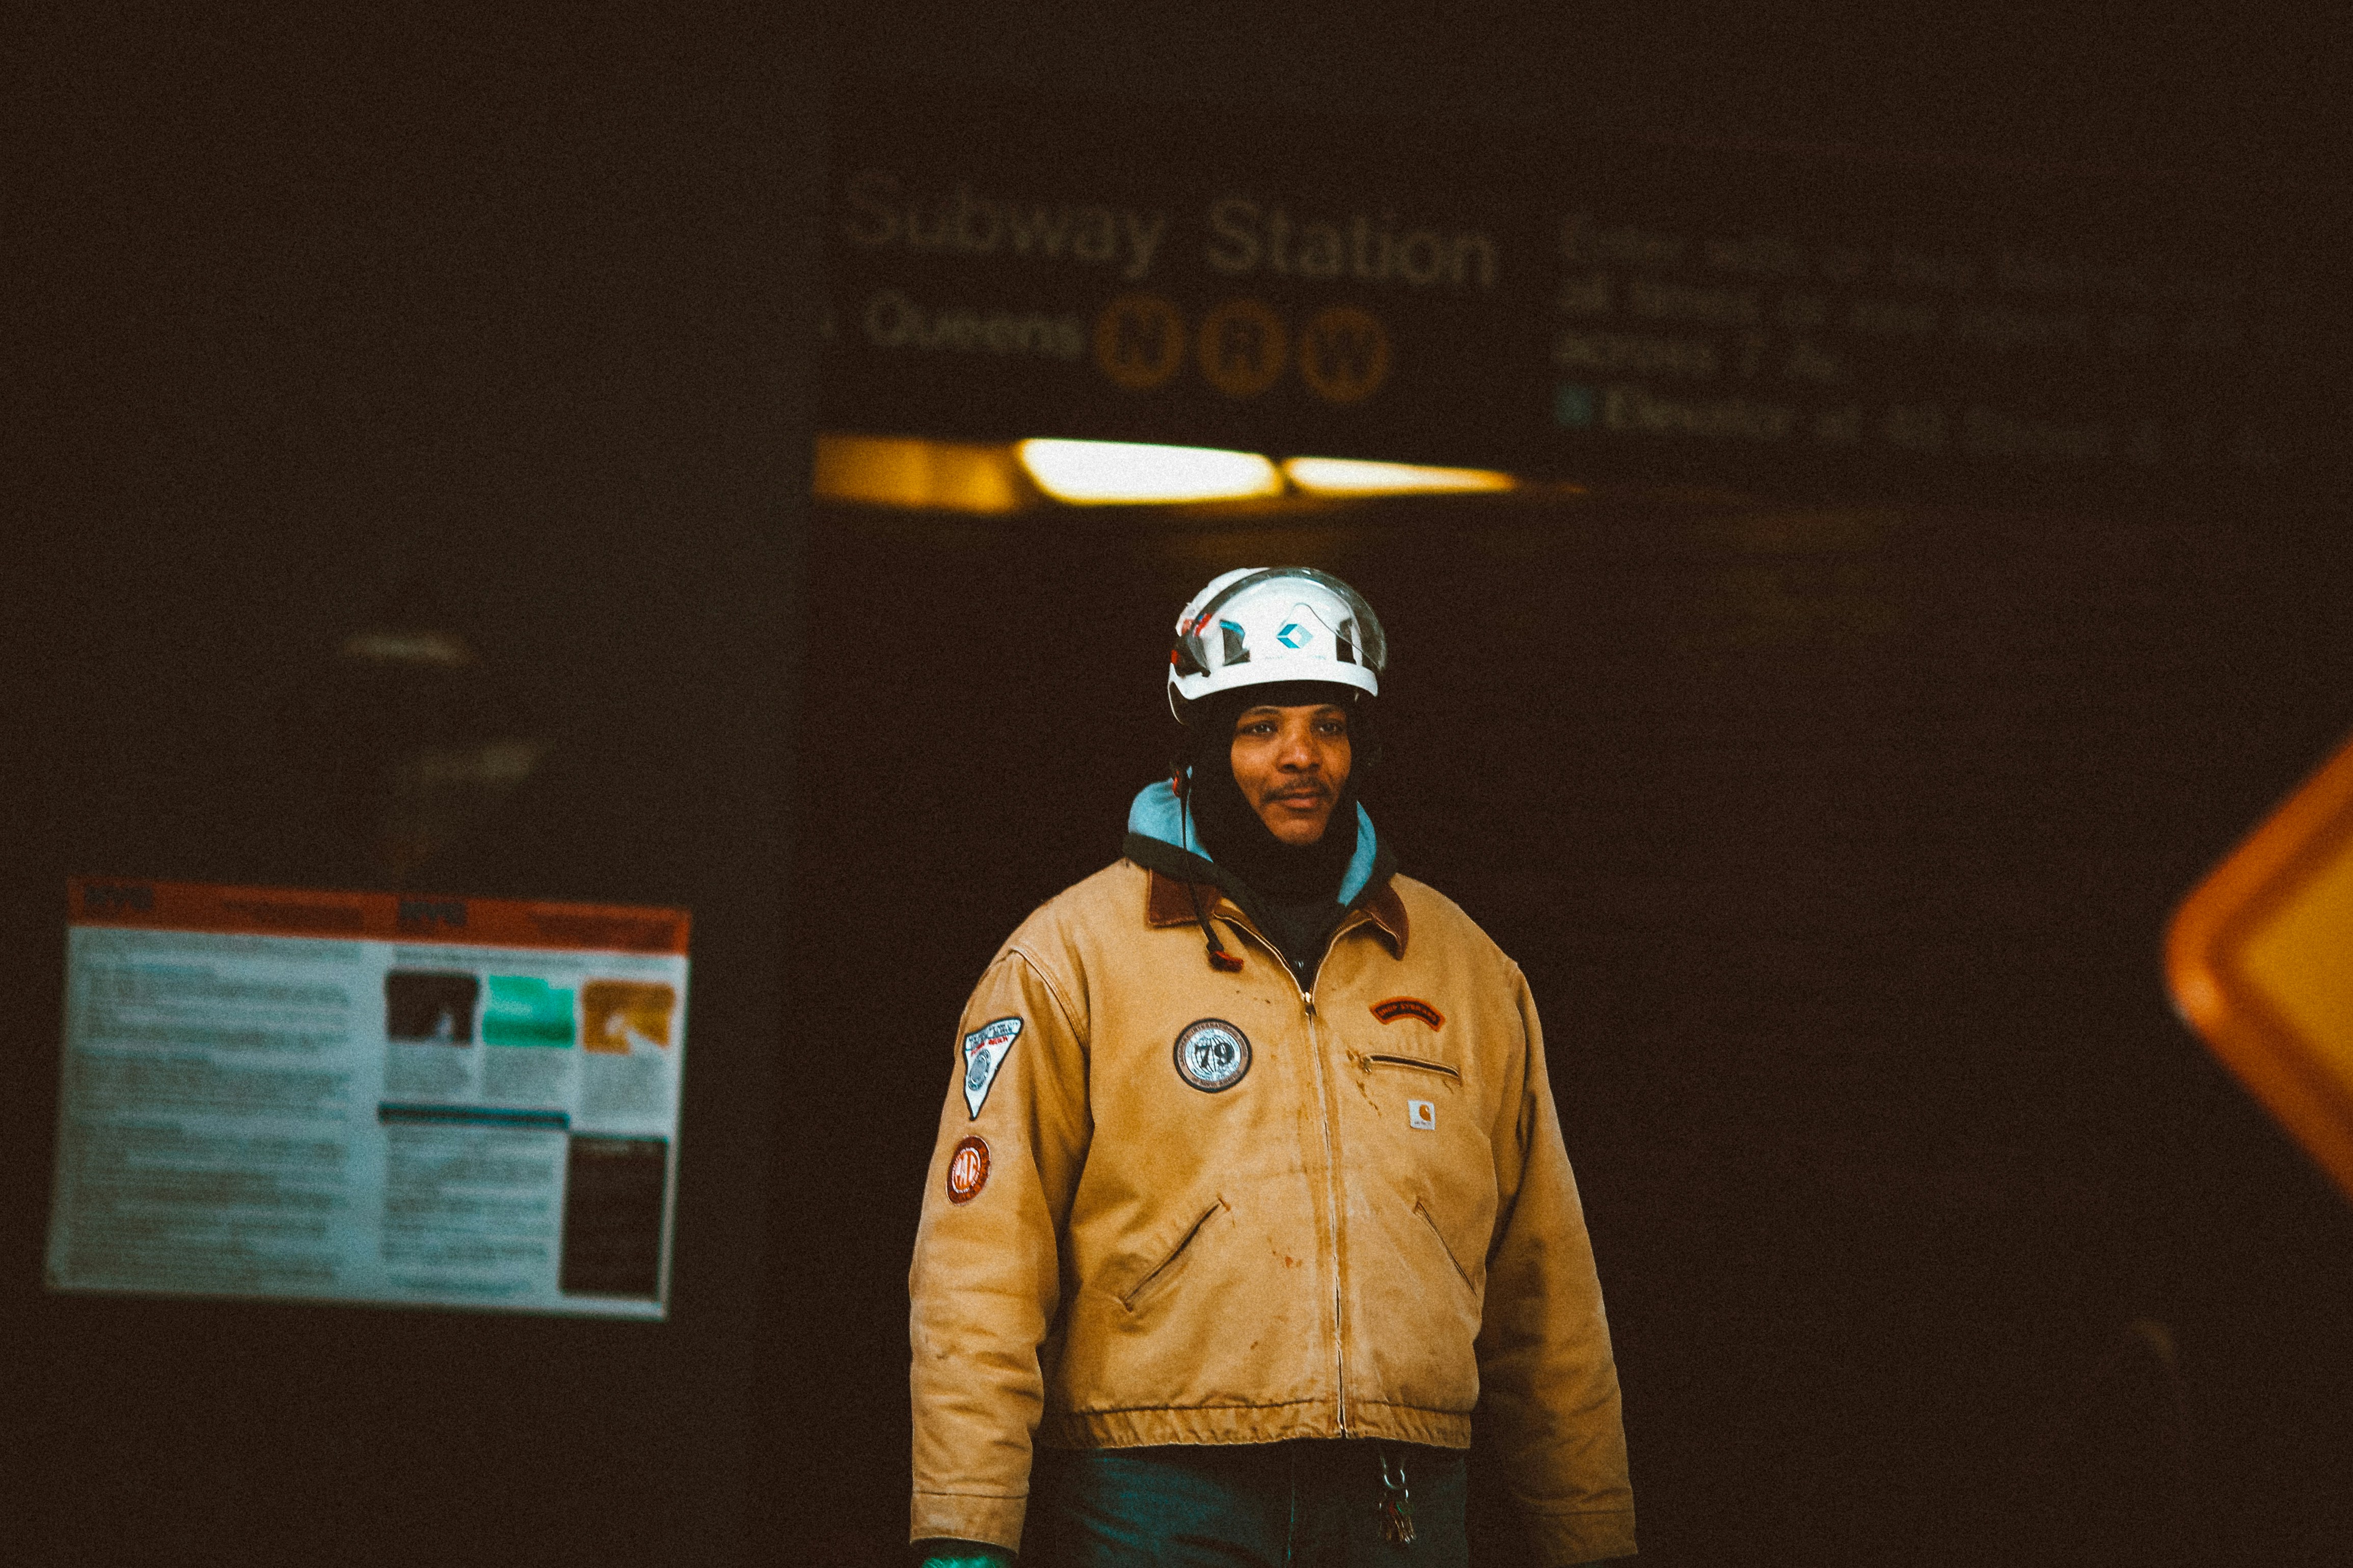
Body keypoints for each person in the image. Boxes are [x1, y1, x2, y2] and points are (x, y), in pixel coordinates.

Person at [908, 567, 1634, 1566]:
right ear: (1200, 750)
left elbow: (1547, 1281)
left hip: (1399, 1495)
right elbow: (979, 1267)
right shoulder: (1068, 959)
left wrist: (1590, 1530)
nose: (1302, 756)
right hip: (1156, 1496)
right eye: (1260, 726)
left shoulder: (1466, 969)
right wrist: (965, 1522)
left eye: (1329, 725)